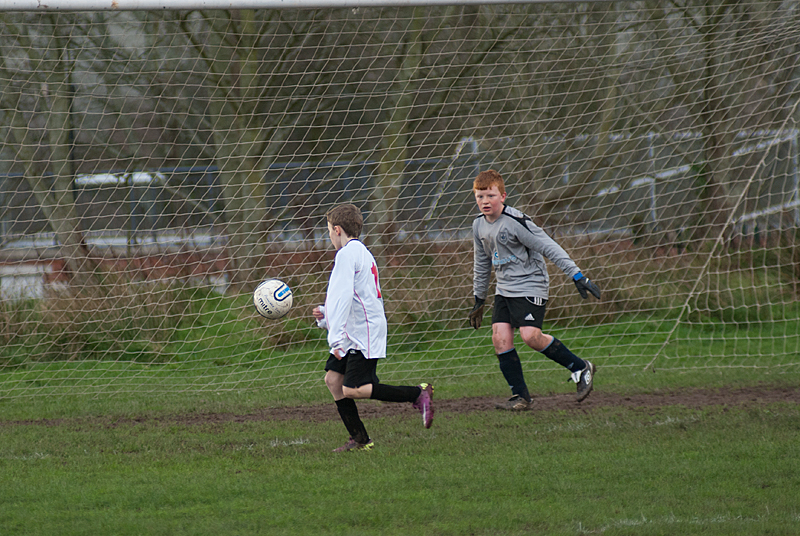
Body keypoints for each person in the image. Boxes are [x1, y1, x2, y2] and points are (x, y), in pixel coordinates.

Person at [469, 170, 601, 410]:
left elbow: (549, 246)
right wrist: (479, 298)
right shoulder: (478, 225)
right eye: (480, 196)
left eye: (490, 195)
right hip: (504, 289)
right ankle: (521, 397)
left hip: (531, 284)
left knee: (530, 336)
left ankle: (580, 367)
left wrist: (577, 274)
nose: (485, 201)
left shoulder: (516, 222)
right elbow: (481, 262)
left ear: (503, 196)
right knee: (500, 339)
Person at [313, 203, 434, 452]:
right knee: (333, 380)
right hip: (354, 330)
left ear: (337, 230)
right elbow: (355, 296)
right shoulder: (361, 252)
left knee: (352, 388)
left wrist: (334, 339)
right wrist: (326, 316)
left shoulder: (346, 255)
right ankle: (360, 439)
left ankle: (417, 393)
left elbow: (342, 297)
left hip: (361, 333)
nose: (328, 235)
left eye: (328, 230)